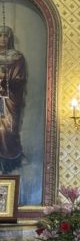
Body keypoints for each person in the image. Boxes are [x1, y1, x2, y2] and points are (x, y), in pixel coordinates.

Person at [0, 25, 26, 172]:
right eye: (0, 35)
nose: (3, 39)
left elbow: (19, 80)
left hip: (9, 100)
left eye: (6, 36)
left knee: (6, 130)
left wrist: (5, 79)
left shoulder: (17, 57)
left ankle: (8, 162)